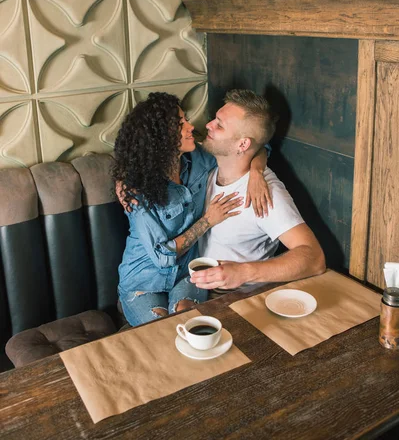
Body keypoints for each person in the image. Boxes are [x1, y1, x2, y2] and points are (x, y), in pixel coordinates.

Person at [112, 92, 271, 327]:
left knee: (189, 323)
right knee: (163, 331)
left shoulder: (199, 158)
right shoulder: (137, 190)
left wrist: (257, 172)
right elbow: (162, 257)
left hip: (189, 274)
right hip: (143, 282)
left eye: (185, 119)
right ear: (160, 138)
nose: (190, 126)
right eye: (180, 124)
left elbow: (256, 144)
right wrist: (207, 221)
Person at [191, 89, 326, 292]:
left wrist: (244, 273)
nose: (208, 125)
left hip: (239, 299)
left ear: (243, 144)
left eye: (219, 125)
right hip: (197, 290)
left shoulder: (266, 193)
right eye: (214, 119)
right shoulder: (206, 166)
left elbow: (315, 259)